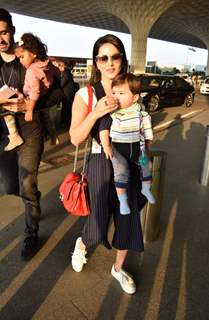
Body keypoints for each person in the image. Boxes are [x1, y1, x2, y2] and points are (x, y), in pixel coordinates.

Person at [70, 34, 146, 295]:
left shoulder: (131, 90)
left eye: (115, 56)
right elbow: (75, 137)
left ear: (123, 59)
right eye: (103, 57)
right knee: (99, 221)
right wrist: (97, 112)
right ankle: (83, 244)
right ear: (96, 62)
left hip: (130, 162)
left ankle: (118, 268)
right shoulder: (86, 94)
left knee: (127, 220)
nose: (110, 62)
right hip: (100, 162)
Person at [0, 8, 43, 260]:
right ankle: (33, 200)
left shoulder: (28, 57)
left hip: (30, 129)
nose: (0, 38)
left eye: (4, 32)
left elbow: (63, 90)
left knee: (27, 184)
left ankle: (31, 233)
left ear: (12, 32)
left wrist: (31, 105)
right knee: (10, 186)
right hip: (3, 132)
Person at [99, 73, 155, 216]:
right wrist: (106, 146)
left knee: (147, 166)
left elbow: (146, 126)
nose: (116, 96)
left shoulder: (140, 111)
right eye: (114, 92)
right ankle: (122, 200)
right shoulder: (113, 112)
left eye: (121, 93)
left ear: (135, 97)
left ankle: (146, 189)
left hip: (138, 148)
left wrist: (148, 141)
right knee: (121, 172)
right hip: (118, 150)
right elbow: (103, 129)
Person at [14, 33, 60, 145]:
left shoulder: (31, 71)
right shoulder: (47, 64)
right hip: (44, 96)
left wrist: (29, 110)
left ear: (33, 53)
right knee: (46, 117)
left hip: (32, 98)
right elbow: (57, 73)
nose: (21, 61)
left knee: (9, 112)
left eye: (22, 57)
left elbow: (35, 91)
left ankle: (13, 136)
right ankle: (54, 136)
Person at [56, 60, 76, 127]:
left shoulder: (65, 73)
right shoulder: (67, 73)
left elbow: (62, 84)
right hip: (69, 94)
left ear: (63, 66)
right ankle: (66, 122)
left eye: (59, 65)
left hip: (67, 95)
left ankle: (65, 122)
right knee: (67, 108)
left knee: (66, 108)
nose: (58, 67)